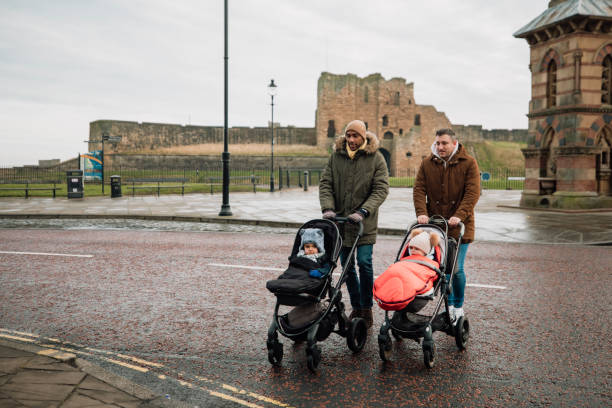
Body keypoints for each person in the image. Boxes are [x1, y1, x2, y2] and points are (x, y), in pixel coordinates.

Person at [319, 119, 389, 328]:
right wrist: (328, 208)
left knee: (365, 264)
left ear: (363, 137)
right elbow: (326, 183)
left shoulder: (376, 158)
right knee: (347, 267)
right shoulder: (336, 157)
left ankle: (366, 308)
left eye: (355, 136)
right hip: (340, 223)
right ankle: (356, 306)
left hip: (363, 224)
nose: (351, 140)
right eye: (348, 135)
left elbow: (381, 189)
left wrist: (364, 210)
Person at [413, 128, 480, 324]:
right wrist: (422, 213)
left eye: (444, 143)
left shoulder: (468, 163)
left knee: (456, 269)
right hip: (435, 226)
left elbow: (472, 193)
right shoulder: (427, 163)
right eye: (438, 143)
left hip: (459, 227)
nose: (440, 147)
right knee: (443, 270)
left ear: (454, 143)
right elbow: (419, 189)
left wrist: (458, 216)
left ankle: (458, 305)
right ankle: (448, 305)